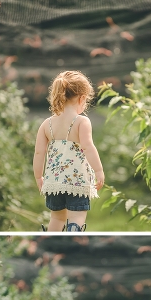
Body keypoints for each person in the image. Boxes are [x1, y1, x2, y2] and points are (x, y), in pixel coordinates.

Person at [33, 70, 105, 232]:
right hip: (77, 182)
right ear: (82, 98)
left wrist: (39, 177)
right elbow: (88, 147)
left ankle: (52, 240)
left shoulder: (47, 124)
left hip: (53, 183)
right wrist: (98, 170)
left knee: (56, 218)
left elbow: (39, 153)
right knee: (77, 217)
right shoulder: (81, 122)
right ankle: (73, 235)